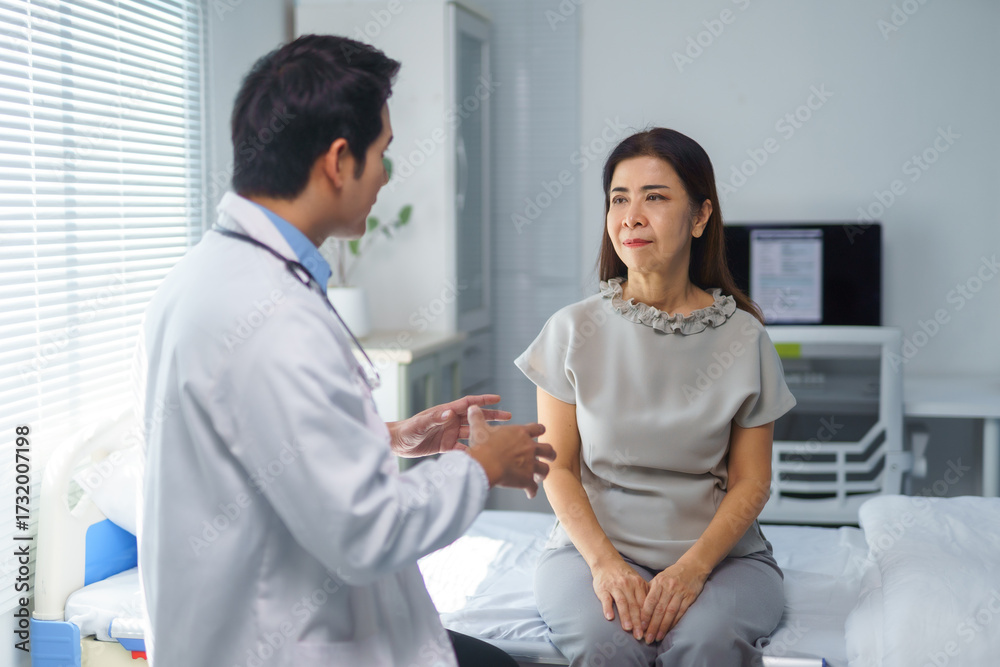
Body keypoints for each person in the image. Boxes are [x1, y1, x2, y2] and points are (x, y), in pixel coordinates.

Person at [138, 35, 554, 667]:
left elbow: (261, 441)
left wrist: (391, 436)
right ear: (338, 161)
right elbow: (368, 531)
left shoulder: (210, 275)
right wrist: (485, 465)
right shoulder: (270, 315)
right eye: (382, 152)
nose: (387, 174)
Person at [515, 128, 797, 666]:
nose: (632, 215)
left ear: (700, 216)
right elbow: (558, 468)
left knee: (705, 642)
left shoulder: (745, 338)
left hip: (722, 558)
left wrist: (692, 570)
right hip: (593, 550)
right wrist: (604, 565)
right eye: (619, 198)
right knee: (608, 645)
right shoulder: (572, 330)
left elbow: (752, 481)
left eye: (656, 197)